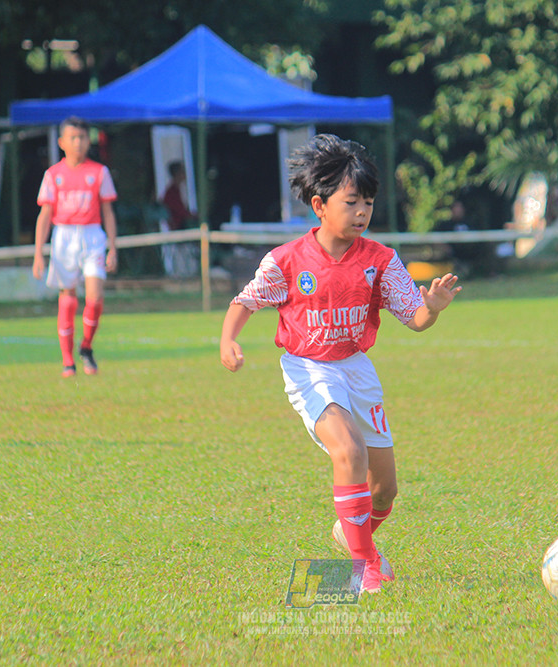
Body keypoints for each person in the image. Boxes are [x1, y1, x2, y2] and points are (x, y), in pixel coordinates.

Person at [219, 134, 461, 594]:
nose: (362, 212)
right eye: (352, 201)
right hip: (308, 368)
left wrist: (434, 306)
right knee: (348, 451)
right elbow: (246, 300)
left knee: (385, 492)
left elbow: (415, 318)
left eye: (368, 202)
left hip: (356, 370)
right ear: (319, 205)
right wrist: (228, 340)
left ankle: (352, 532)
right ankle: (363, 563)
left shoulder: (381, 260)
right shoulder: (286, 261)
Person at [32, 116, 118, 378]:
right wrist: (38, 253)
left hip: (92, 235)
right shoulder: (53, 175)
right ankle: (68, 361)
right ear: (62, 142)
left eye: (82, 138)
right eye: (73, 138)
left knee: (94, 296)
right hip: (64, 236)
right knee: (67, 298)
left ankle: (86, 346)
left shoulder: (99, 172)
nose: (79, 143)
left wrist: (112, 247)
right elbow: (45, 215)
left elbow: (108, 212)